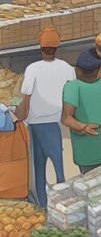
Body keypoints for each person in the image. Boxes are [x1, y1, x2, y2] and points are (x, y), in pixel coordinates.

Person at [17, 27, 73, 207]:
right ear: (57, 47)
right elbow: (72, 93)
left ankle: (44, 203)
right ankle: (61, 203)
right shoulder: (66, 67)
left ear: (40, 47)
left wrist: (19, 115)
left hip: (36, 124)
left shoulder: (33, 69)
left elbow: (26, 98)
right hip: (55, 122)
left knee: (39, 166)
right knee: (57, 164)